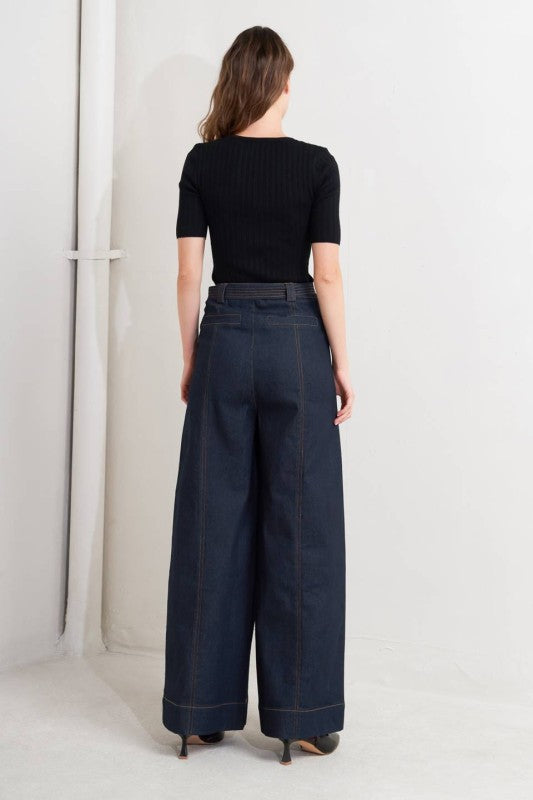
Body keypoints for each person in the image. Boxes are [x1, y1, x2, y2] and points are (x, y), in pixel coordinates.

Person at [162, 25, 354, 766]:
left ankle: (198, 714)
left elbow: (189, 272)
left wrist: (193, 356)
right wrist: (340, 362)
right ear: (280, 83)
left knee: (211, 523)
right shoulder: (316, 165)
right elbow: (327, 273)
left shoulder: (202, 162)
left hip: (224, 336)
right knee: (303, 526)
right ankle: (301, 719)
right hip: (297, 345)